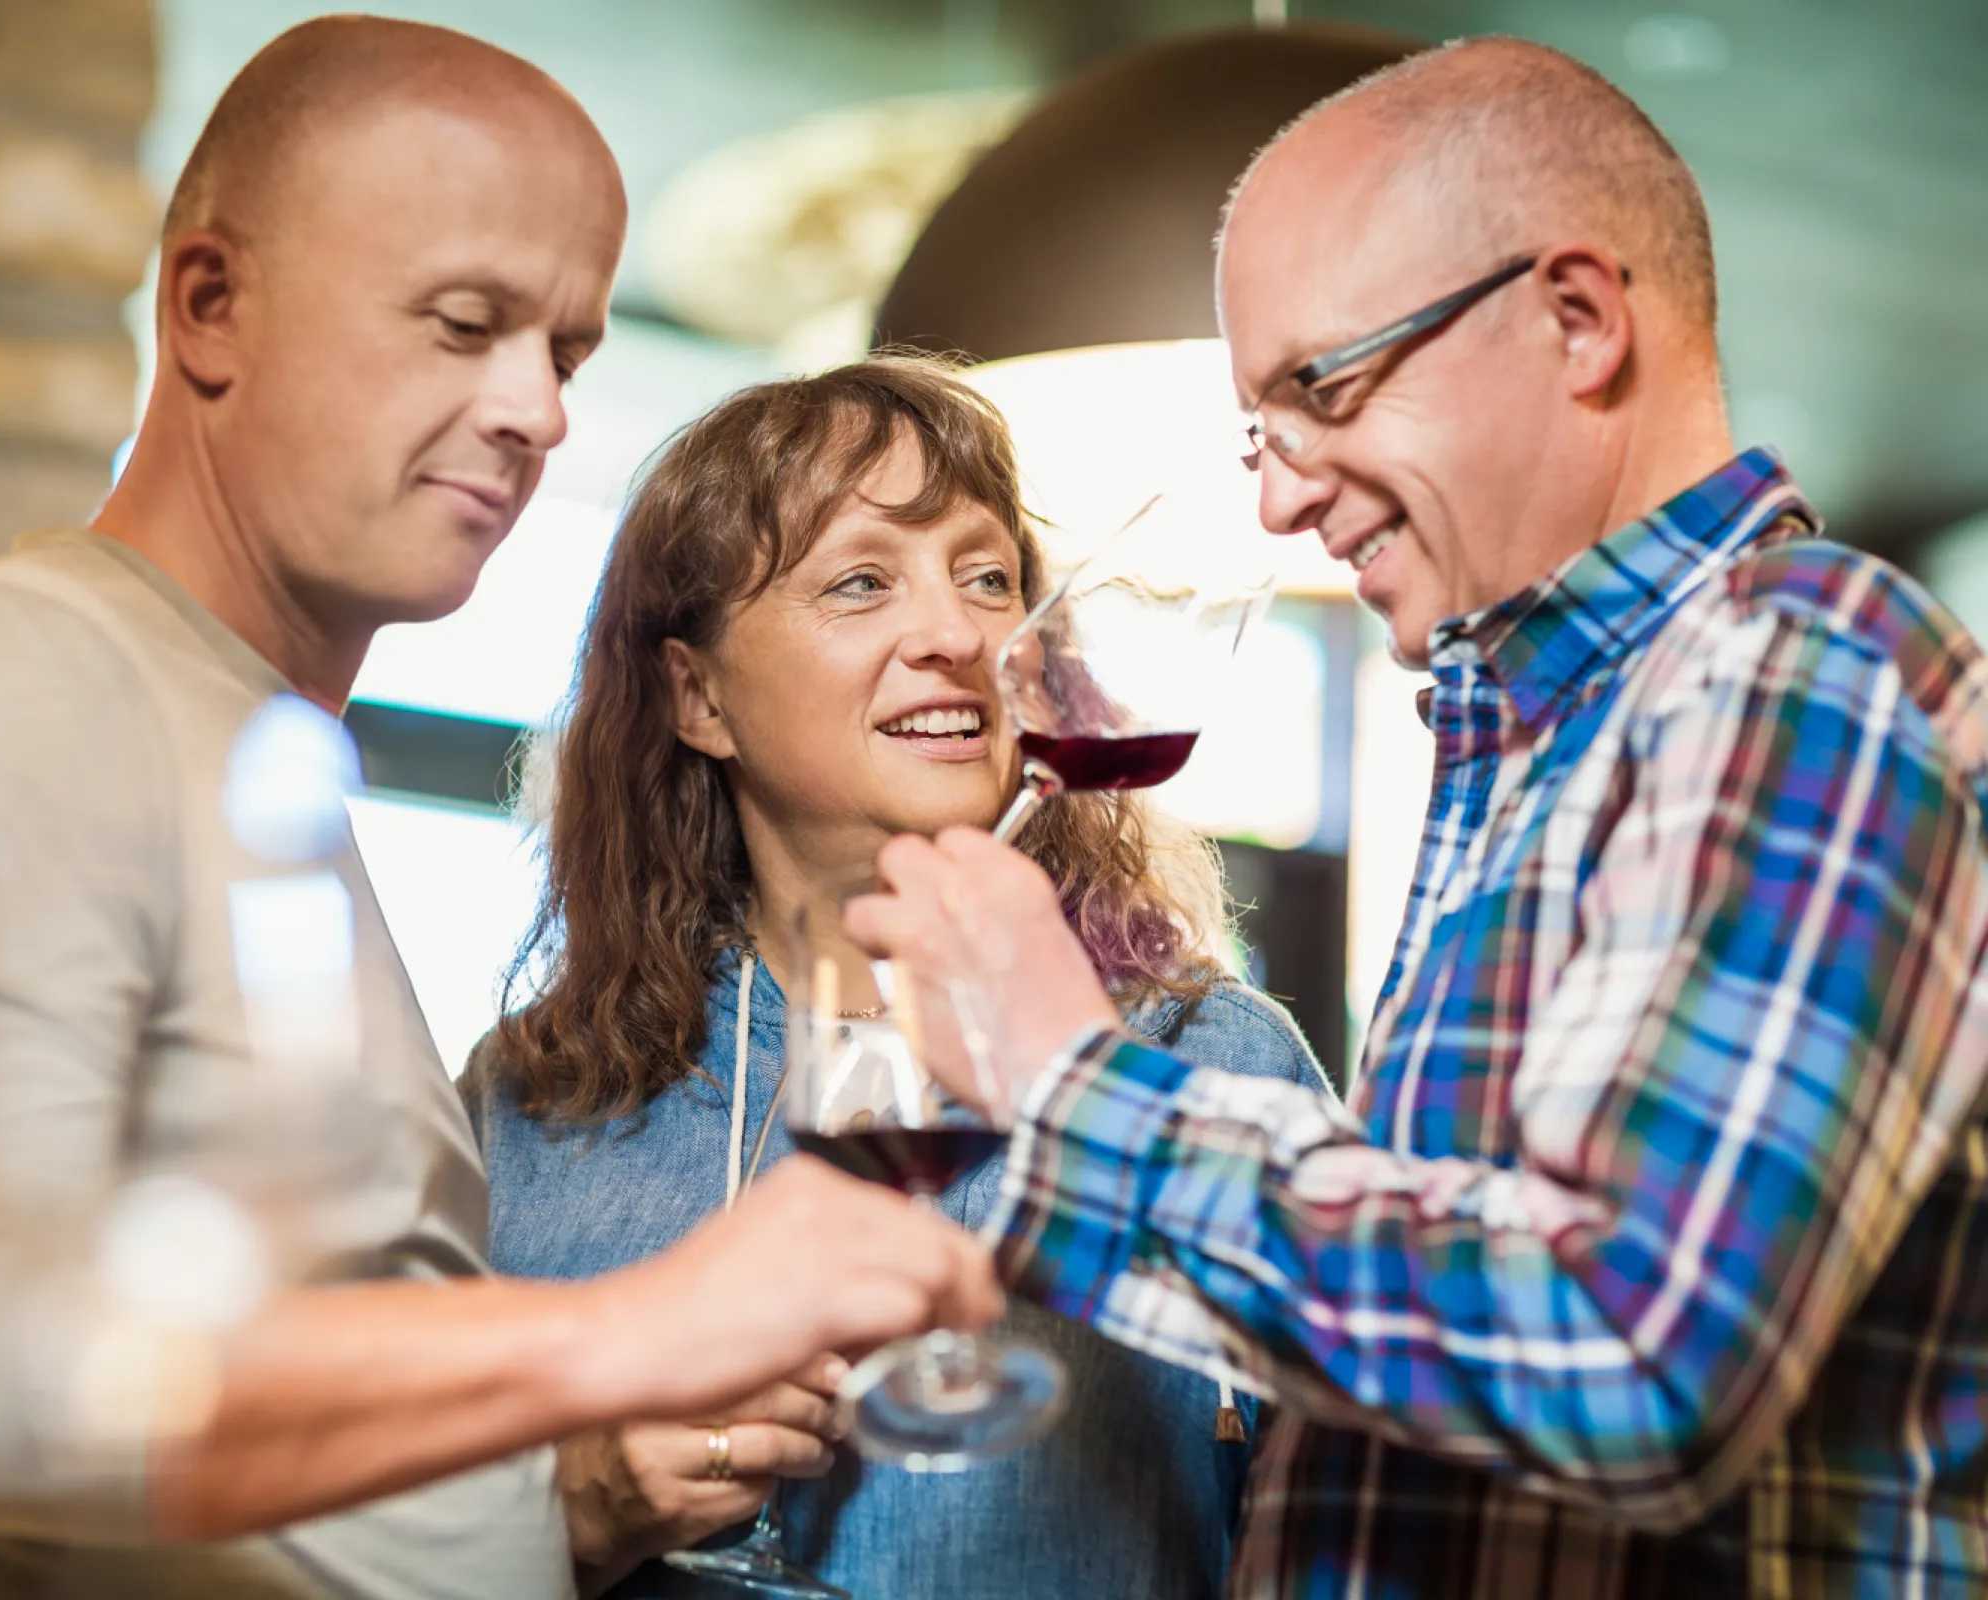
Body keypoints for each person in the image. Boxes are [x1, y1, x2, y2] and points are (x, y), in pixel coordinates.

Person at [0, 19, 998, 1600]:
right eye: (464, 325)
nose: (537, 410)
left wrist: (569, 1502)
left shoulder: (247, 752)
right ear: (208, 306)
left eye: (569, 351)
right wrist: (619, 1333)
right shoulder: (18, 674)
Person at [844, 36, 1988, 1599]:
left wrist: (1066, 1074)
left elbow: (1623, 1357)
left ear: (1574, 322)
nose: (1277, 499)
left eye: (1317, 390)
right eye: (1263, 429)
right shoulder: (1541, 736)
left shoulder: (1798, 663)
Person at [465, 354, 1335, 1598]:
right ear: (696, 695)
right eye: (862, 580)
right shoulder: (529, 1100)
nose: (960, 635)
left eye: (989, 579)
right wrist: (569, 1517)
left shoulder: (1204, 1059)